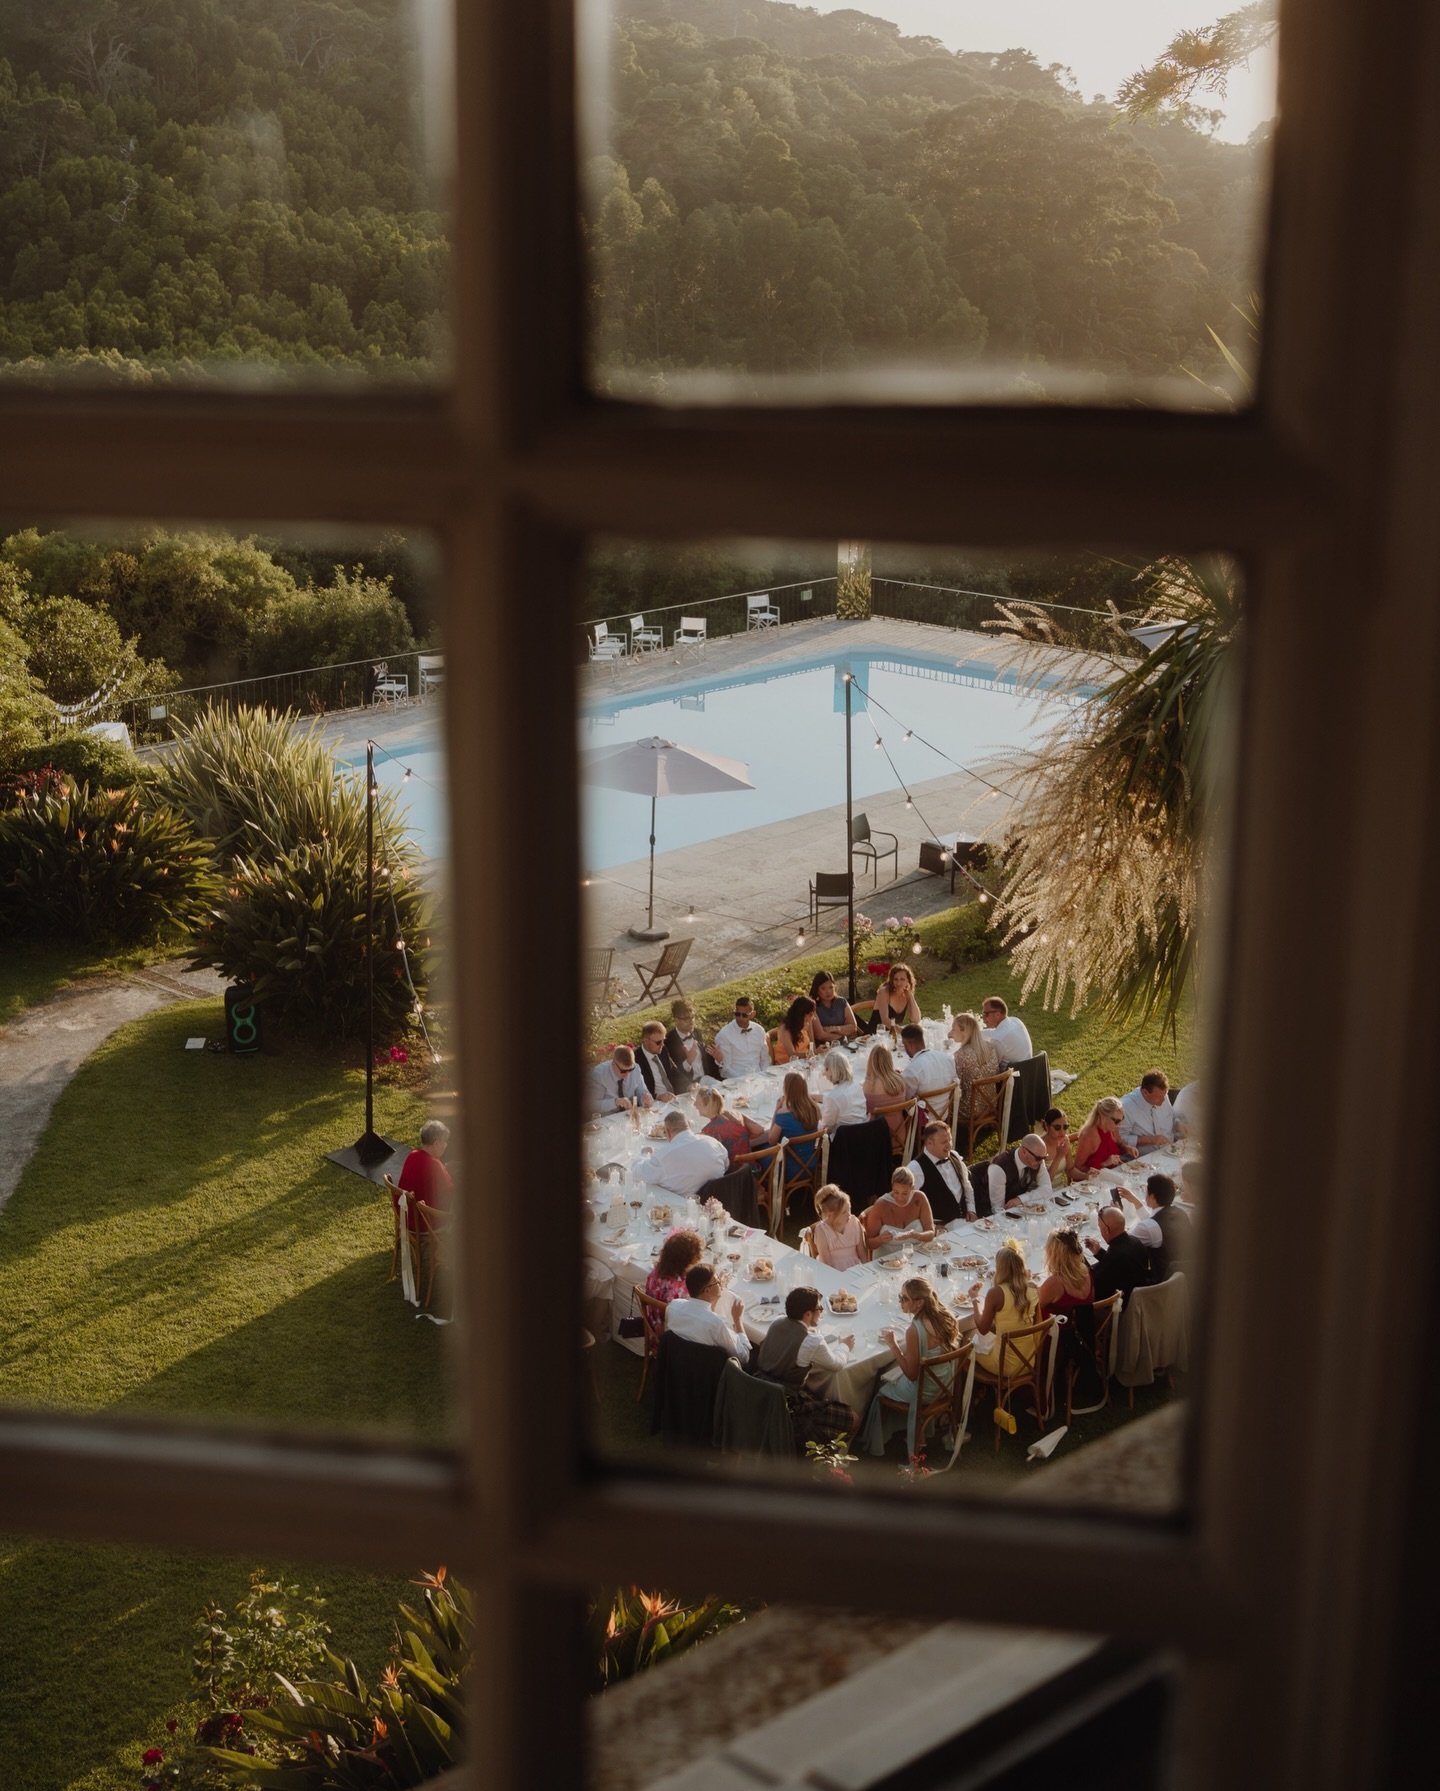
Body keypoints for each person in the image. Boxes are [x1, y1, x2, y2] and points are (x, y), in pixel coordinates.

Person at [859, 1278, 960, 1456]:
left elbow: (912, 1375)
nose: (900, 1301)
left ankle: (877, 1443)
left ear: (919, 1302)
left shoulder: (914, 1330)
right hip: (945, 1384)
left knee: (880, 1386)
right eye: (900, 1296)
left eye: (904, 1298)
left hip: (924, 1391)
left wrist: (893, 1346)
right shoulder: (945, 1316)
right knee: (892, 1373)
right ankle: (917, 1432)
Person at [750, 1285, 857, 1447]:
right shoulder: (811, 1340)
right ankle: (830, 1462)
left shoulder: (777, 1322)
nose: (821, 1312)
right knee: (853, 1418)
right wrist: (844, 1346)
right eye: (819, 1308)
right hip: (787, 1405)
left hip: (759, 1392)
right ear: (808, 1314)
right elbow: (837, 1364)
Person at [969, 1242, 1040, 1369]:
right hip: (1028, 1361)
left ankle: (971, 1387)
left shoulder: (996, 1293)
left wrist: (974, 1299)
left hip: (1003, 1366)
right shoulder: (1033, 1288)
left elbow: (982, 1329)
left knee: (966, 1340)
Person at [663, 1263, 751, 1363]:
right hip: (711, 1375)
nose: (720, 1284)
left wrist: (714, 1300)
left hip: (678, 1366)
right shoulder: (718, 1324)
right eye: (717, 1282)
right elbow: (744, 1358)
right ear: (707, 1290)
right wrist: (738, 1320)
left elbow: (699, 1317)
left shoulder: (673, 1307)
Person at [634, 1110, 727, 1198]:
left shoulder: (664, 1156)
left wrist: (645, 1154)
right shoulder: (713, 1142)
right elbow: (726, 1165)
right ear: (688, 1126)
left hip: (683, 1206)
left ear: (668, 1132)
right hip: (719, 1199)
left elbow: (636, 1173)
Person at [1084, 1206, 1157, 1305]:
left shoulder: (1115, 1255)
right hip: (1143, 1290)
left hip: (1128, 1304)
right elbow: (1119, 1266)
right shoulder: (1135, 1241)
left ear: (1106, 1230)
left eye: (1099, 1227)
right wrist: (1099, 1252)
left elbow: (1097, 1287)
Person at [906, 1120, 975, 1225]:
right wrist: (930, 1227)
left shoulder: (954, 1156)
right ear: (929, 1143)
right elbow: (909, 1206)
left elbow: (967, 1186)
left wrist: (971, 1209)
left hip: (964, 1223)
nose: (949, 1146)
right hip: (940, 1229)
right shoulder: (916, 1168)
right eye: (944, 1142)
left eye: (950, 1140)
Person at [861, 1166, 937, 1254]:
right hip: (887, 1260)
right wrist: (880, 1239)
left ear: (912, 1189)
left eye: (905, 1193)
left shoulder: (920, 1198)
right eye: (896, 1192)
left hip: (917, 1254)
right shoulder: (881, 1205)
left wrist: (916, 1235)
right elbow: (868, 1244)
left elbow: (931, 1233)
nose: (900, 1198)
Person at [393, 1119, 452, 1232]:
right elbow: (449, 1193)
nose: (446, 1145)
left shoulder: (412, 1155)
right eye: (445, 1142)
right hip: (424, 1224)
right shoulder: (434, 1165)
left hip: (405, 1216)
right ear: (436, 1143)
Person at [977, 1133, 1052, 1217]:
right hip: (987, 1216)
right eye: (1038, 1158)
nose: (1041, 1162)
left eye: (1044, 1158)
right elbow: (997, 1209)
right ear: (1024, 1151)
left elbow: (1047, 1189)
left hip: (1017, 1211)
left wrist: (1021, 1199)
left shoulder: (1037, 1160)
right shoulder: (999, 1168)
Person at [766, 1072, 822, 1182]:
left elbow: (771, 1141)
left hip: (789, 1168)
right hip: (811, 1163)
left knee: (759, 1152)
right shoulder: (814, 1108)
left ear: (787, 1090)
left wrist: (776, 1111)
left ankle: (770, 1192)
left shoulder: (783, 1115)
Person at [694, 1085, 763, 1166]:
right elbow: (759, 1130)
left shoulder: (708, 1131)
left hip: (733, 1177)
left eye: (698, 1103)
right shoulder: (736, 1115)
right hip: (752, 1170)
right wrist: (742, 1138)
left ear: (707, 1107)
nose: (694, 1105)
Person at [948, 1010, 999, 1120]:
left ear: (964, 1032)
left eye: (953, 1029)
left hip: (969, 1111)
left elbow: (955, 1085)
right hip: (991, 1105)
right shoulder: (990, 1047)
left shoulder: (961, 1055)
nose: (950, 1033)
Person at [863, 1043, 911, 1154]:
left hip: (877, 1140)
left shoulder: (870, 1085)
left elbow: (864, 1110)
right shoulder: (900, 1081)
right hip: (900, 1136)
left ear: (871, 1062)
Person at [1037, 1227, 1094, 1320]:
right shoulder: (1085, 1270)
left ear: (1053, 1254)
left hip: (1057, 1332)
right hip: (1084, 1329)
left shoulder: (1054, 1283)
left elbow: (1034, 1310)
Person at [1119, 1071, 1178, 1155]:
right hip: (1143, 1160)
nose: (1164, 1100)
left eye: (1165, 1094)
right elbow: (1118, 1139)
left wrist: (1179, 1124)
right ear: (1145, 1093)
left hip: (1171, 1152)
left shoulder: (1162, 1096)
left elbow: (1171, 1117)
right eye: (1159, 1097)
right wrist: (1149, 1140)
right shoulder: (1126, 1107)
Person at [1072, 1097, 1135, 1174]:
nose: (1119, 1125)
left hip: (1113, 1174)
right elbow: (1077, 1168)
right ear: (1104, 1117)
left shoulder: (1113, 1127)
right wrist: (1104, 1164)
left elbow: (1119, 1143)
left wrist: (1127, 1148)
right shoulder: (1089, 1135)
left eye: (1122, 1119)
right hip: (1092, 1180)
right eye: (1117, 1121)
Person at [712, 995, 770, 1080]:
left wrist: (763, 1077)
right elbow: (725, 1069)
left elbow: (764, 1059)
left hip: (758, 1077)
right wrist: (744, 1080)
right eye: (737, 1014)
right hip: (736, 1081)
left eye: (744, 1015)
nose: (740, 1018)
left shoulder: (759, 1030)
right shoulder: (724, 1035)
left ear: (753, 1014)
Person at [898, 1023, 957, 1105]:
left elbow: (905, 1099)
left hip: (923, 1116)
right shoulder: (947, 1058)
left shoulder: (912, 1071)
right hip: (945, 1112)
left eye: (904, 1045)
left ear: (910, 1045)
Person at [662, 1000, 716, 1090]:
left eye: (692, 1017)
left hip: (705, 1080)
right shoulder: (668, 1041)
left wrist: (718, 1060)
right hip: (688, 1087)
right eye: (686, 1018)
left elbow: (706, 1062)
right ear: (676, 1020)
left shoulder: (697, 1033)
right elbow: (673, 1074)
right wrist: (688, 1062)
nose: (691, 1021)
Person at [811, 1185, 868, 1269]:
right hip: (832, 1271)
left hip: (855, 1268)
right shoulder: (821, 1230)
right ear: (831, 1215)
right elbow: (826, 1263)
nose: (849, 1214)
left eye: (849, 1209)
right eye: (844, 1212)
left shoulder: (854, 1222)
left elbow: (861, 1251)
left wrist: (866, 1270)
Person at [644, 1229, 704, 1307]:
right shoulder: (680, 1289)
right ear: (684, 1262)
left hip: (652, 1315)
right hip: (669, 1318)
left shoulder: (656, 1271)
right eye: (694, 1262)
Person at [585, 1045, 650, 1116]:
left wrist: (645, 1099)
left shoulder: (636, 1068)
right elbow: (592, 1105)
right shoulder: (599, 1075)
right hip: (608, 1118)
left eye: (630, 1069)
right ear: (613, 1063)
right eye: (623, 1071)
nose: (628, 1074)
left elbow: (642, 1092)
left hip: (628, 1115)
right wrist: (615, 1102)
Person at [819, 1049, 868, 1132]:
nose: (824, 1073)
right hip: (864, 1133)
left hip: (845, 1141)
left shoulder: (832, 1097)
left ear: (832, 1070)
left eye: (826, 1069)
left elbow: (826, 1127)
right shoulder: (856, 1085)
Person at [980, 995, 1033, 1067]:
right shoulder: (1015, 1021)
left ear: (998, 1014)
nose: (983, 1017)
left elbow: (991, 1065)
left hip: (1016, 1076)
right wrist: (975, 1033)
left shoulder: (999, 1039)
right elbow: (994, 1032)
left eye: (986, 1014)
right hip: (1030, 1069)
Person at [808, 972, 859, 1044]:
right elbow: (820, 1035)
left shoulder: (842, 1002)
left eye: (831, 987)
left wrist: (834, 1029)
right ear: (817, 990)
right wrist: (843, 1035)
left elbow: (853, 1027)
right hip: (825, 1048)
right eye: (823, 988)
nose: (828, 991)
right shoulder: (813, 1007)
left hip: (845, 1045)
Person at [634, 1021, 677, 1103]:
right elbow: (637, 1091)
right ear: (646, 1041)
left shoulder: (662, 1050)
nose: (662, 1044)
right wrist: (658, 1096)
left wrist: (689, 1085)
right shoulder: (636, 1060)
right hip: (655, 1103)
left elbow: (674, 1071)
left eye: (663, 1040)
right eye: (658, 1042)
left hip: (673, 1098)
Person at [873, 963, 921, 1030]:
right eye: (896, 979)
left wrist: (910, 996)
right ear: (892, 980)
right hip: (876, 1035)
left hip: (893, 1036)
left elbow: (916, 1020)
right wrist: (902, 1031)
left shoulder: (906, 994)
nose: (898, 983)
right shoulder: (884, 991)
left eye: (902, 979)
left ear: (908, 980)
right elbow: (885, 1020)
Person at [771, 996, 817, 1065]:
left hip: (804, 1062)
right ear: (801, 1014)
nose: (813, 1017)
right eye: (810, 1014)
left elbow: (812, 1042)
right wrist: (814, 1053)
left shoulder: (807, 1022)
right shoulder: (785, 1028)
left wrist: (814, 1055)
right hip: (786, 1064)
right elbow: (792, 1054)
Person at [1040, 1107, 1074, 1187]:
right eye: (1057, 1128)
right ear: (1046, 1126)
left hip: (1060, 1191)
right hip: (1041, 1194)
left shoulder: (1065, 1141)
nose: (1062, 1132)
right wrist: (1059, 1157)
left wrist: (1087, 1175)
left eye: (1065, 1127)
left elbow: (1070, 1170)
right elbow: (1044, 1183)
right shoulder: (1039, 1146)